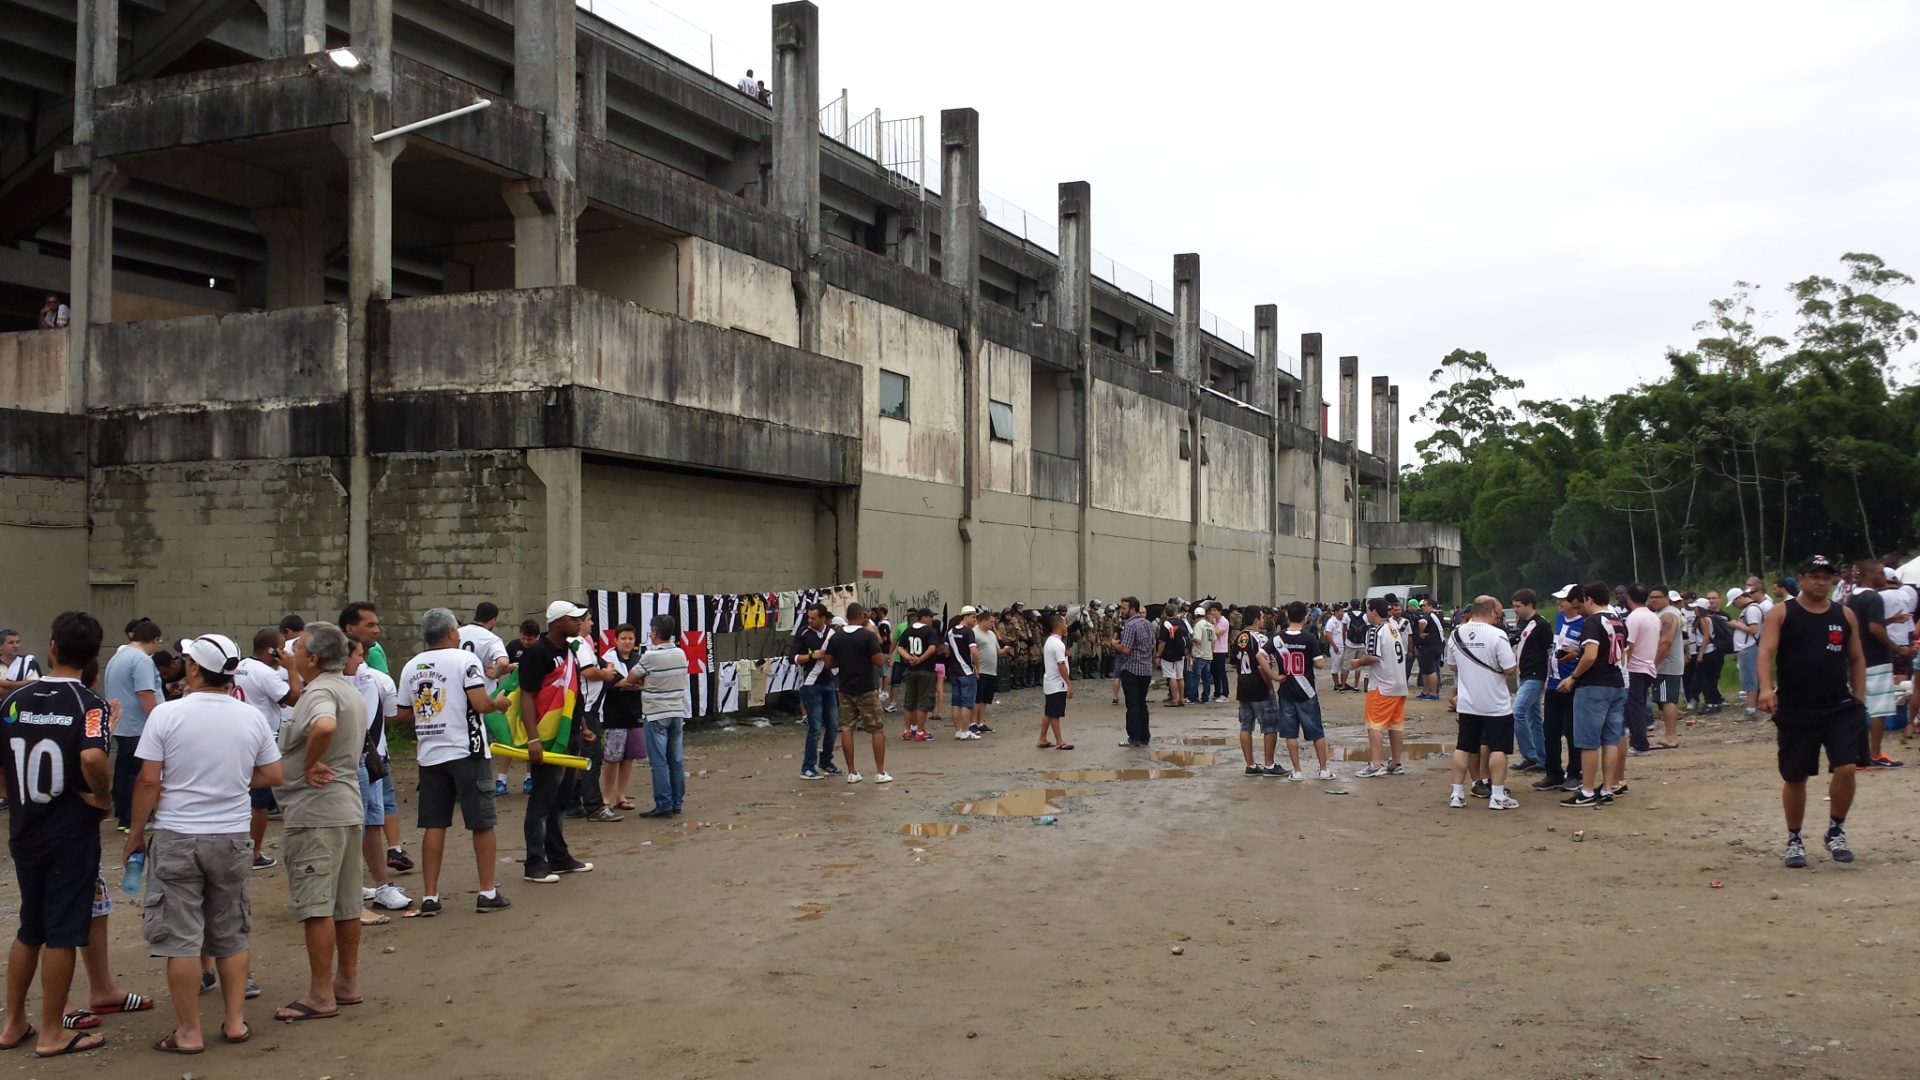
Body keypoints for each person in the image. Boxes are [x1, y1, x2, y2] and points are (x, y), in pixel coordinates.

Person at [125, 632, 283, 1052]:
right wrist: (233, 778)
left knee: (181, 939)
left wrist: (136, 834)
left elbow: (148, 780)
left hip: (178, 834)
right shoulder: (250, 716)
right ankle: (234, 1022)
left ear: (194, 668)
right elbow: (274, 774)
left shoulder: (167, 714)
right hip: (231, 836)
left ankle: (189, 1032)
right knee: (231, 934)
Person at [0, 612, 113, 1057]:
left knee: (30, 927)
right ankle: (52, 1031)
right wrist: (102, 799)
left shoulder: (14, 699)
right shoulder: (90, 703)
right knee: (63, 931)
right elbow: (93, 758)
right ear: (93, 656)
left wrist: (15, 794)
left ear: (52, 647)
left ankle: (13, 1023)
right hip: (69, 832)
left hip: (25, 828)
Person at [272, 623, 368, 1022]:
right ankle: (346, 982)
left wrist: (309, 763)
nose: (290, 654)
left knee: (317, 906)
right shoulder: (346, 688)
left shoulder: (321, 692)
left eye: (296, 649)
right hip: (344, 808)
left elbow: (324, 725)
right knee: (346, 904)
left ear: (312, 658)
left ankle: (320, 994)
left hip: (317, 813)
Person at [394, 608, 513, 915]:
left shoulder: (411, 665)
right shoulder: (465, 660)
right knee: (482, 822)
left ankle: (430, 896)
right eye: (456, 629)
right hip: (466, 750)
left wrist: (431, 716)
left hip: (430, 754)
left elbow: (403, 712)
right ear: (450, 632)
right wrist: (498, 703)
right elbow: (480, 703)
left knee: (434, 824)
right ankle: (487, 891)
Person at [1756, 555, 1867, 868]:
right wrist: (1765, 688)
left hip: (1839, 706)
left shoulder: (1844, 614)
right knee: (1796, 777)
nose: (1821, 582)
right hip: (1796, 708)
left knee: (1847, 767)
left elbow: (1857, 658)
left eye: (1826, 577)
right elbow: (1765, 652)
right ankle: (1794, 838)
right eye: (1814, 576)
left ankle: (1836, 830)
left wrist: (1859, 698)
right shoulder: (1782, 613)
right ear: (1802, 579)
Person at [509, 602, 596, 881]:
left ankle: (558, 856)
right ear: (558, 622)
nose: (579, 623)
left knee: (562, 798)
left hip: (569, 733)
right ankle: (534, 862)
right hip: (547, 737)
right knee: (543, 800)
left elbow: (572, 693)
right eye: (574, 619)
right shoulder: (538, 653)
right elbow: (527, 696)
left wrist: (582, 726)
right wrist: (533, 738)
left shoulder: (569, 651)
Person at [344, 637, 411, 920]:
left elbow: (392, 714)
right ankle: (348, 894)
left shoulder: (375, 679)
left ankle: (380, 887)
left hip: (370, 761)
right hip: (346, 766)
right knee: (350, 829)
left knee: (372, 821)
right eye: (358, 655)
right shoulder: (326, 687)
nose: (362, 660)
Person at [233, 629, 302, 871]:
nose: (284, 652)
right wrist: (292, 669)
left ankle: (240, 848)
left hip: (239, 734)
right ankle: (254, 853)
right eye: (281, 648)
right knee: (259, 801)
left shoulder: (241, 666)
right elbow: (294, 698)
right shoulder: (265, 673)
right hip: (262, 738)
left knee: (242, 793)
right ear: (270, 650)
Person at [1446, 596, 1520, 810]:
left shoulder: (1455, 634)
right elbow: (1509, 668)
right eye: (1498, 615)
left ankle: (1456, 794)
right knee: (1498, 748)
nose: (1498, 619)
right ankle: (1497, 795)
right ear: (1490, 611)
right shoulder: (1497, 635)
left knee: (1463, 746)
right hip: (1495, 703)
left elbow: (1452, 666)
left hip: (1468, 702)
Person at [1560, 582, 1629, 808]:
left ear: (1589, 599)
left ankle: (1587, 790)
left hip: (1594, 685)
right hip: (1616, 682)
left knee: (1588, 741)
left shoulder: (1593, 622)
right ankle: (1608, 788)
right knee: (1610, 739)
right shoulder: (1618, 620)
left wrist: (1573, 677)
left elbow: (1590, 655)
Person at [100, 619, 163, 830]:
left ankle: (122, 814)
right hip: (138, 725)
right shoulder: (141, 659)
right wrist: (157, 719)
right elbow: (145, 692)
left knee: (123, 769)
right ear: (154, 640)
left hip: (122, 723)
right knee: (137, 774)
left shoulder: (118, 656)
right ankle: (132, 818)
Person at [1847, 562, 1908, 768]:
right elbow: (1874, 628)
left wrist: (1889, 620)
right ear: (1870, 575)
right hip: (1876, 659)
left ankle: (1857, 754)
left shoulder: (1853, 598)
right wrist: (1898, 649)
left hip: (1857, 660)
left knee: (1859, 705)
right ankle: (1875, 755)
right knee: (1879, 709)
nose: (1885, 577)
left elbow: (1863, 625)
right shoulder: (1874, 598)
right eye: (1881, 573)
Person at [823, 604, 891, 784]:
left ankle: (852, 772)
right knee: (876, 728)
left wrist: (845, 661)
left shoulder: (836, 637)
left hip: (845, 687)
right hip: (866, 687)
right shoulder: (867, 636)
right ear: (860, 615)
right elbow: (879, 661)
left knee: (847, 728)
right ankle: (880, 772)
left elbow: (828, 663)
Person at [634, 613, 692, 816]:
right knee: (676, 761)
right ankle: (676, 803)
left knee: (658, 762)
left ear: (654, 634)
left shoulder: (650, 656)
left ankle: (663, 804)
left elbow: (631, 677)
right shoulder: (680, 654)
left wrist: (643, 684)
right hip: (677, 711)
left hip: (656, 713)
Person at [1273, 602, 1332, 780]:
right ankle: (1323, 769)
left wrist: (1274, 675)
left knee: (1290, 733)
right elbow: (1320, 663)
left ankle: (1297, 770)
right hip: (1306, 691)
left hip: (1286, 690)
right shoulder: (1309, 638)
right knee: (1316, 732)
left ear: (1287, 616)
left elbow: (1261, 655)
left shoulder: (1278, 638)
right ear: (1305, 618)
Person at [1353, 598, 1410, 778]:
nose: (1367, 614)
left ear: (1374, 611)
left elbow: (1373, 656)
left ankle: (1376, 764)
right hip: (1399, 683)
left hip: (1382, 685)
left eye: (1367, 610)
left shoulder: (1375, 631)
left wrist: (1358, 662)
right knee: (1395, 725)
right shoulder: (1393, 628)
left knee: (1374, 724)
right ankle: (1396, 762)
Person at [599, 624, 648, 805]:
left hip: (634, 714)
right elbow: (607, 681)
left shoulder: (639, 659)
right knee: (612, 758)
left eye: (630, 638)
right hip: (615, 715)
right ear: (616, 640)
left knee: (628, 757)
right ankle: (606, 797)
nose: (627, 642)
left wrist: (627, 683)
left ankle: (621, 795)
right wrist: (622, 683)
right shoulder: (607, 660)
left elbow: (641, 682)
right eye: (623, 638)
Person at [1231, 608, 1283, 776]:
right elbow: (1262, 666)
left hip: (1243, 684)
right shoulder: (1260, 638)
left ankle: (1250, 764)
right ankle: (1269, 764)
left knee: (1246, 726)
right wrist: (1270, 684)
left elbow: (1234, 663)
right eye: (1261, 617)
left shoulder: (1240, 637)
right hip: (1259, 685)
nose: (1262, 619)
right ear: (1255, 620)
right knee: (1270, 726)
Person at [792, 605, 841, 780]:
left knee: (833, 726)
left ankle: (826, 761)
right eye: (809, 617)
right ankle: (807, 766)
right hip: (810, 684)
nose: (810, 621)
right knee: (815, 727)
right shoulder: (803, 633)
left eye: (813, 618)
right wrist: (811, 656)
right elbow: (793, 657)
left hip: (828, 683)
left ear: (823, 619)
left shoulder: (832, 634)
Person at [1509, 590, 1550, 772]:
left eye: (1518, 606)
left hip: (1536, 675)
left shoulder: (1541, 625)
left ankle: (1530, 755)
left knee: (1517, 711)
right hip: (1523, 674)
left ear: (1529, 605)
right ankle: (1541, 758)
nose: (1515, 609)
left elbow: (1549, 652)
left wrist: (1548, 677)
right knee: (1534, 718)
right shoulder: (1522, 623)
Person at [1622, 584, 1661, 757]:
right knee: (1635, 705)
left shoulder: (1634, 617)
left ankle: (1640, 744)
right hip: (1648, 666)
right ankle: (1636, 740)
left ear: (1629, 597)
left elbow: (1629, 645)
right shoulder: (1653, 617)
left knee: (1634, 707)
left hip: (1635, 667)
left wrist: (1623, 665)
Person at [1113, 597, 1154, 747]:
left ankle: (1134, 737)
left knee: (1132, 705)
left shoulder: (1130, 625)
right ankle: (1144, 736)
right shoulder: (1148, 623)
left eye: (1124, 608)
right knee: (1142, 703)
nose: (1121, 611)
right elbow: (1152, 644)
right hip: (1146, 669)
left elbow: (1125, 649)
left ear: (1132, 609)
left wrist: (1114, 644)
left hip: (1131, 669)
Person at [1649, 589, 1686, 749]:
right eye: (1652, 597)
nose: (1654, 600)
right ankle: (1668, 736)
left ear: (1666, 598)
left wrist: (1654, 664)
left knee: (1668, 700)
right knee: (1663, 700)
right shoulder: (1661, 613)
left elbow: (1666, 642)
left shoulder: (1669, 615)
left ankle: (1670, 737)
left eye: (1658, 597)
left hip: (1667, 665)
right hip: (1664, 664)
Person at [896, 610, 939, 741]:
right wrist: (920, 659)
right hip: (926, 670)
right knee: (923, 702)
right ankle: (920, 731)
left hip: (910, 670)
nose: (932, 619)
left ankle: (907, 730)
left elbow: (900, 647)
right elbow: (932, 648)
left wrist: (909, 658)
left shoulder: (908, 630)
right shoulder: (930, 631)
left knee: (909, 701)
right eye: (930, 616)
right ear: (923, 617)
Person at [1038, 613, 1074, 750]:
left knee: (1049, 711)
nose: (1067, 626)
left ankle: (1042, 737)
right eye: (1065, 623)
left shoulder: (1050, 641)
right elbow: (1061, 665)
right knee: (1055, 713)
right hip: (1057, 683)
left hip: (1050, 681)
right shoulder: (1058, 644)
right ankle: (1059, 741)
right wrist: (1069, 683)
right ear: (1059, 625)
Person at [946, 608, 981, 739]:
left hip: (954, 671)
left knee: (956, 702)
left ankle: (958, 730)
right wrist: (977, 667)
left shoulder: (950, 632)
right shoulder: (969, 632)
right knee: (967, 703)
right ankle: (966, 731)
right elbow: (974, 652)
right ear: (965, 617)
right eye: (973, 617)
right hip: (967, 671)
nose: (975, 620)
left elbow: (946, 650)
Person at [1730, 586, 1764, 719]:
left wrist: (1736, 625)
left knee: (1749, 678)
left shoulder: (1752, 609)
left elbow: (1753, 629)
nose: (1734, 606)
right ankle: (1752, 707)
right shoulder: (1748, 609)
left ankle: (1751, 710)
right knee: (1747, 677)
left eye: (1734, 603)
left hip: (1748, 647)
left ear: (1739, 598)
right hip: (1745, 647)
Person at [973, 611, 1008, 734]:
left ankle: (980, 723)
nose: (993, 625)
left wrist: (1004, 651)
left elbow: (997, 651)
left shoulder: (992, 634)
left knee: (985, 699)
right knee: (977, 698)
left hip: (991, 671)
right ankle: (972, 723)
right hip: (980, 670)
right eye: (991, 622)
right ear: (984, 621)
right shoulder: (974, 633)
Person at [1156, 602, 1189, 707]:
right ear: (1175, 612)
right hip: (1181, 652)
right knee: (1180, 676)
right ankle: (1181, 699)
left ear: (1166, 613)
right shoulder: (1181, 622)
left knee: (1171, 676)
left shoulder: (1165, 624)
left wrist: (1158, 655)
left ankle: (1174, 699)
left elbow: (1162, 642)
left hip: (1168, 654)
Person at [1414, 599, 1445, 700]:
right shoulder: (1438, 615)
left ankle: (1433, 693)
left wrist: (1420, 633)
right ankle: (1426, 691)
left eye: (1424, 605)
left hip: (1430, 646)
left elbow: (1422, 622)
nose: (1422, 607)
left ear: (1430, 606)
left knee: (1430, 670)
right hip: (1437, 644)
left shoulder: (1429, 615)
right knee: (1425, 669)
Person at [1190, 610, 1216, 704]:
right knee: (1206, 678)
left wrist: (1190, 637)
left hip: (1199, 654)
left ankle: (1193, 697)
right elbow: (1213, 641)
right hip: (1208, 654)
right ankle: (1205, 697)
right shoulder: (1210, 625)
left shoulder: (1198, 625)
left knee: (1195, 677)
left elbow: (1197, 639)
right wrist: (1211, 652)